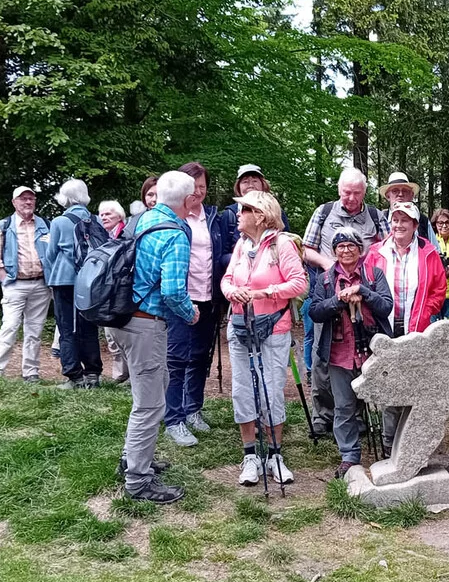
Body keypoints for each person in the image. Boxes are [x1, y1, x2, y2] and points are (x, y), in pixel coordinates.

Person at [110, 170, 199, 504]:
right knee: (149, 404)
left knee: (155, 384)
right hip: (145, 323)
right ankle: (137, 481)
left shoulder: (140, 220)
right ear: (188, 200)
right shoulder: (174, 234)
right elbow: (174, 290)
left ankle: (132, 459)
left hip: (119, 317)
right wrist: (191, 313)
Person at [221, 191, 307, 486]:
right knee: (242, 390)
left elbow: (298, 283)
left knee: (272, 391)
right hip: (240, 325)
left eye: (243, 209)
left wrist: (263, 293)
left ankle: (275, 455)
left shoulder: (282, 245)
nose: (237, 215)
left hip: (273, 328)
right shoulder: (241, 246)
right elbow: (227, 279)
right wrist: (232, 292)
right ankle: (249, 456)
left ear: (260, 215)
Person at [302, 167, 388, 436]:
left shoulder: (375, 216)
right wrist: (333, 266)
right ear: (339, 190)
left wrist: (364, 278)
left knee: (361, 355)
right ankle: (323, 414)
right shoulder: (324, 212)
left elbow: (386, 248)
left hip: (363, 293)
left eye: (357, 192)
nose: (351, 198)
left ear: (365, 191)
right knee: (323, 355)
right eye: (346, 192)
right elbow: (306, 249)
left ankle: (357, 415)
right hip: (328, 291)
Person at [309, 228, 393, 479]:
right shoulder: (325, 280)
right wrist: (338, 300)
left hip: (372, 350)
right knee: (344, 406)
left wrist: (362, 292)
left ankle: (391, 446)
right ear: (334, 251)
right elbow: (314, 311)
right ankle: (349, 456)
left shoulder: (373, 274)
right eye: (340, 247)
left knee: (385, 402)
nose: (346, 251)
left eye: (351, 246)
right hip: (339, 352)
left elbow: (386, 306)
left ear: (360, 249)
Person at [364, 201, 447, 455]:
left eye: (405, 220)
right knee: (390, 385)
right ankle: (390, 444)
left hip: (415, 330)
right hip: (384, 329)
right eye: (395, 220)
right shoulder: (376, 253)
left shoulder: (428, 252)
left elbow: (439, 288)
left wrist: (427, 311)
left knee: (413, 386)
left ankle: (410, 443)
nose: (398, 225)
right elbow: (367, 286)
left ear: (414, 225)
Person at [162, 162, 232, 447]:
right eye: (194, 188)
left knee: (201, 357)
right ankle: (173, 418)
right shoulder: (173, 218)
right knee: (177, 359)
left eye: (203, 187)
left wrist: (242, 261)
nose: (199, 193)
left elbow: (223, 255)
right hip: (180, 298)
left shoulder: (213, 218)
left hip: (208, 297)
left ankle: (193, 410)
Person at [0, 186, 53, 383]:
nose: (27, 202)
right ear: (14, 202)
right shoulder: (3, 226)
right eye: (23, 199)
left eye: (31, 199)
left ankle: (31, 372)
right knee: (10, 327)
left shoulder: (45, 225)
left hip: (41, 285)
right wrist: (7, 282)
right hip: (15, 285)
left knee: (35, 330)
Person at [45, 178, 104, 389]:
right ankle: (93, 375)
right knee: (88, 326)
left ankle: (74, 377)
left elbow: (50, 254)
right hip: (90, 282)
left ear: (66, 197)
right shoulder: (95, 220)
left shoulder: (59, 222)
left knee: (67, 328)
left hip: (65, 281)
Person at [96, 201, 130, 384]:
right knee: (110, 334)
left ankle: (128, 374)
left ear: (120, 216)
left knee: (121, 333)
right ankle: (119, 374)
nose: (104, 217)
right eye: (101, 214)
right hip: (105, 292)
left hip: (120, 291)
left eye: (108, 214)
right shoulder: (101, 236)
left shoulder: (126, 234)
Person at [222, 164, 291, 248]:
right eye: (245, 182)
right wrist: (243, 257)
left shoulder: (275, 211)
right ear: (238, 187)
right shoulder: (230, 214)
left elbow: (286, 242)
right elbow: (222, 254)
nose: (250, 185)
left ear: (263, 185)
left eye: (255, 181)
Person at [379, 172, 439, 249]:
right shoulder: (379, 220)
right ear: (388, 196)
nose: (400, 194)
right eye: (395, 191)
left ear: (411, 195)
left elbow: (435, 250)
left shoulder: (422, 220)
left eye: (404, 191)